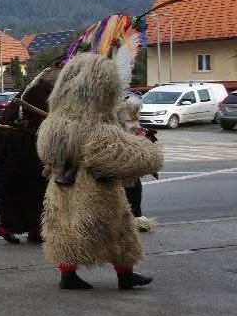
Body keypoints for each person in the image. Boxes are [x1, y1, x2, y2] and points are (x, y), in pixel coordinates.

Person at [38, 52, 163, 290]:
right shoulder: (96, 125)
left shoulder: (53, 123)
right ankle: (126, 276)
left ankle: (68, 275)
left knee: (64, 229)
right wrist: (152, 153)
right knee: (120, 230)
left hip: (61, 186)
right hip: (96, 189)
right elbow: (116, 153)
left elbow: (47, 153)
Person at [0, 66, 59, 244]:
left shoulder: (27, 91)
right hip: (27, 148)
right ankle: (35, 229)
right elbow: (45, 120)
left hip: (10, 147)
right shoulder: (43, 92)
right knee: (37, 190)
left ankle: (9, 226)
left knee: (13, 189)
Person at [116, 93, 157, 232]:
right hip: (124, 152)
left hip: (129, 153)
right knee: (127, 186)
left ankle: (134, 216)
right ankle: (130, 216)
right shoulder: (125, 119)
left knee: (132, 185)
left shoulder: (131, 121)